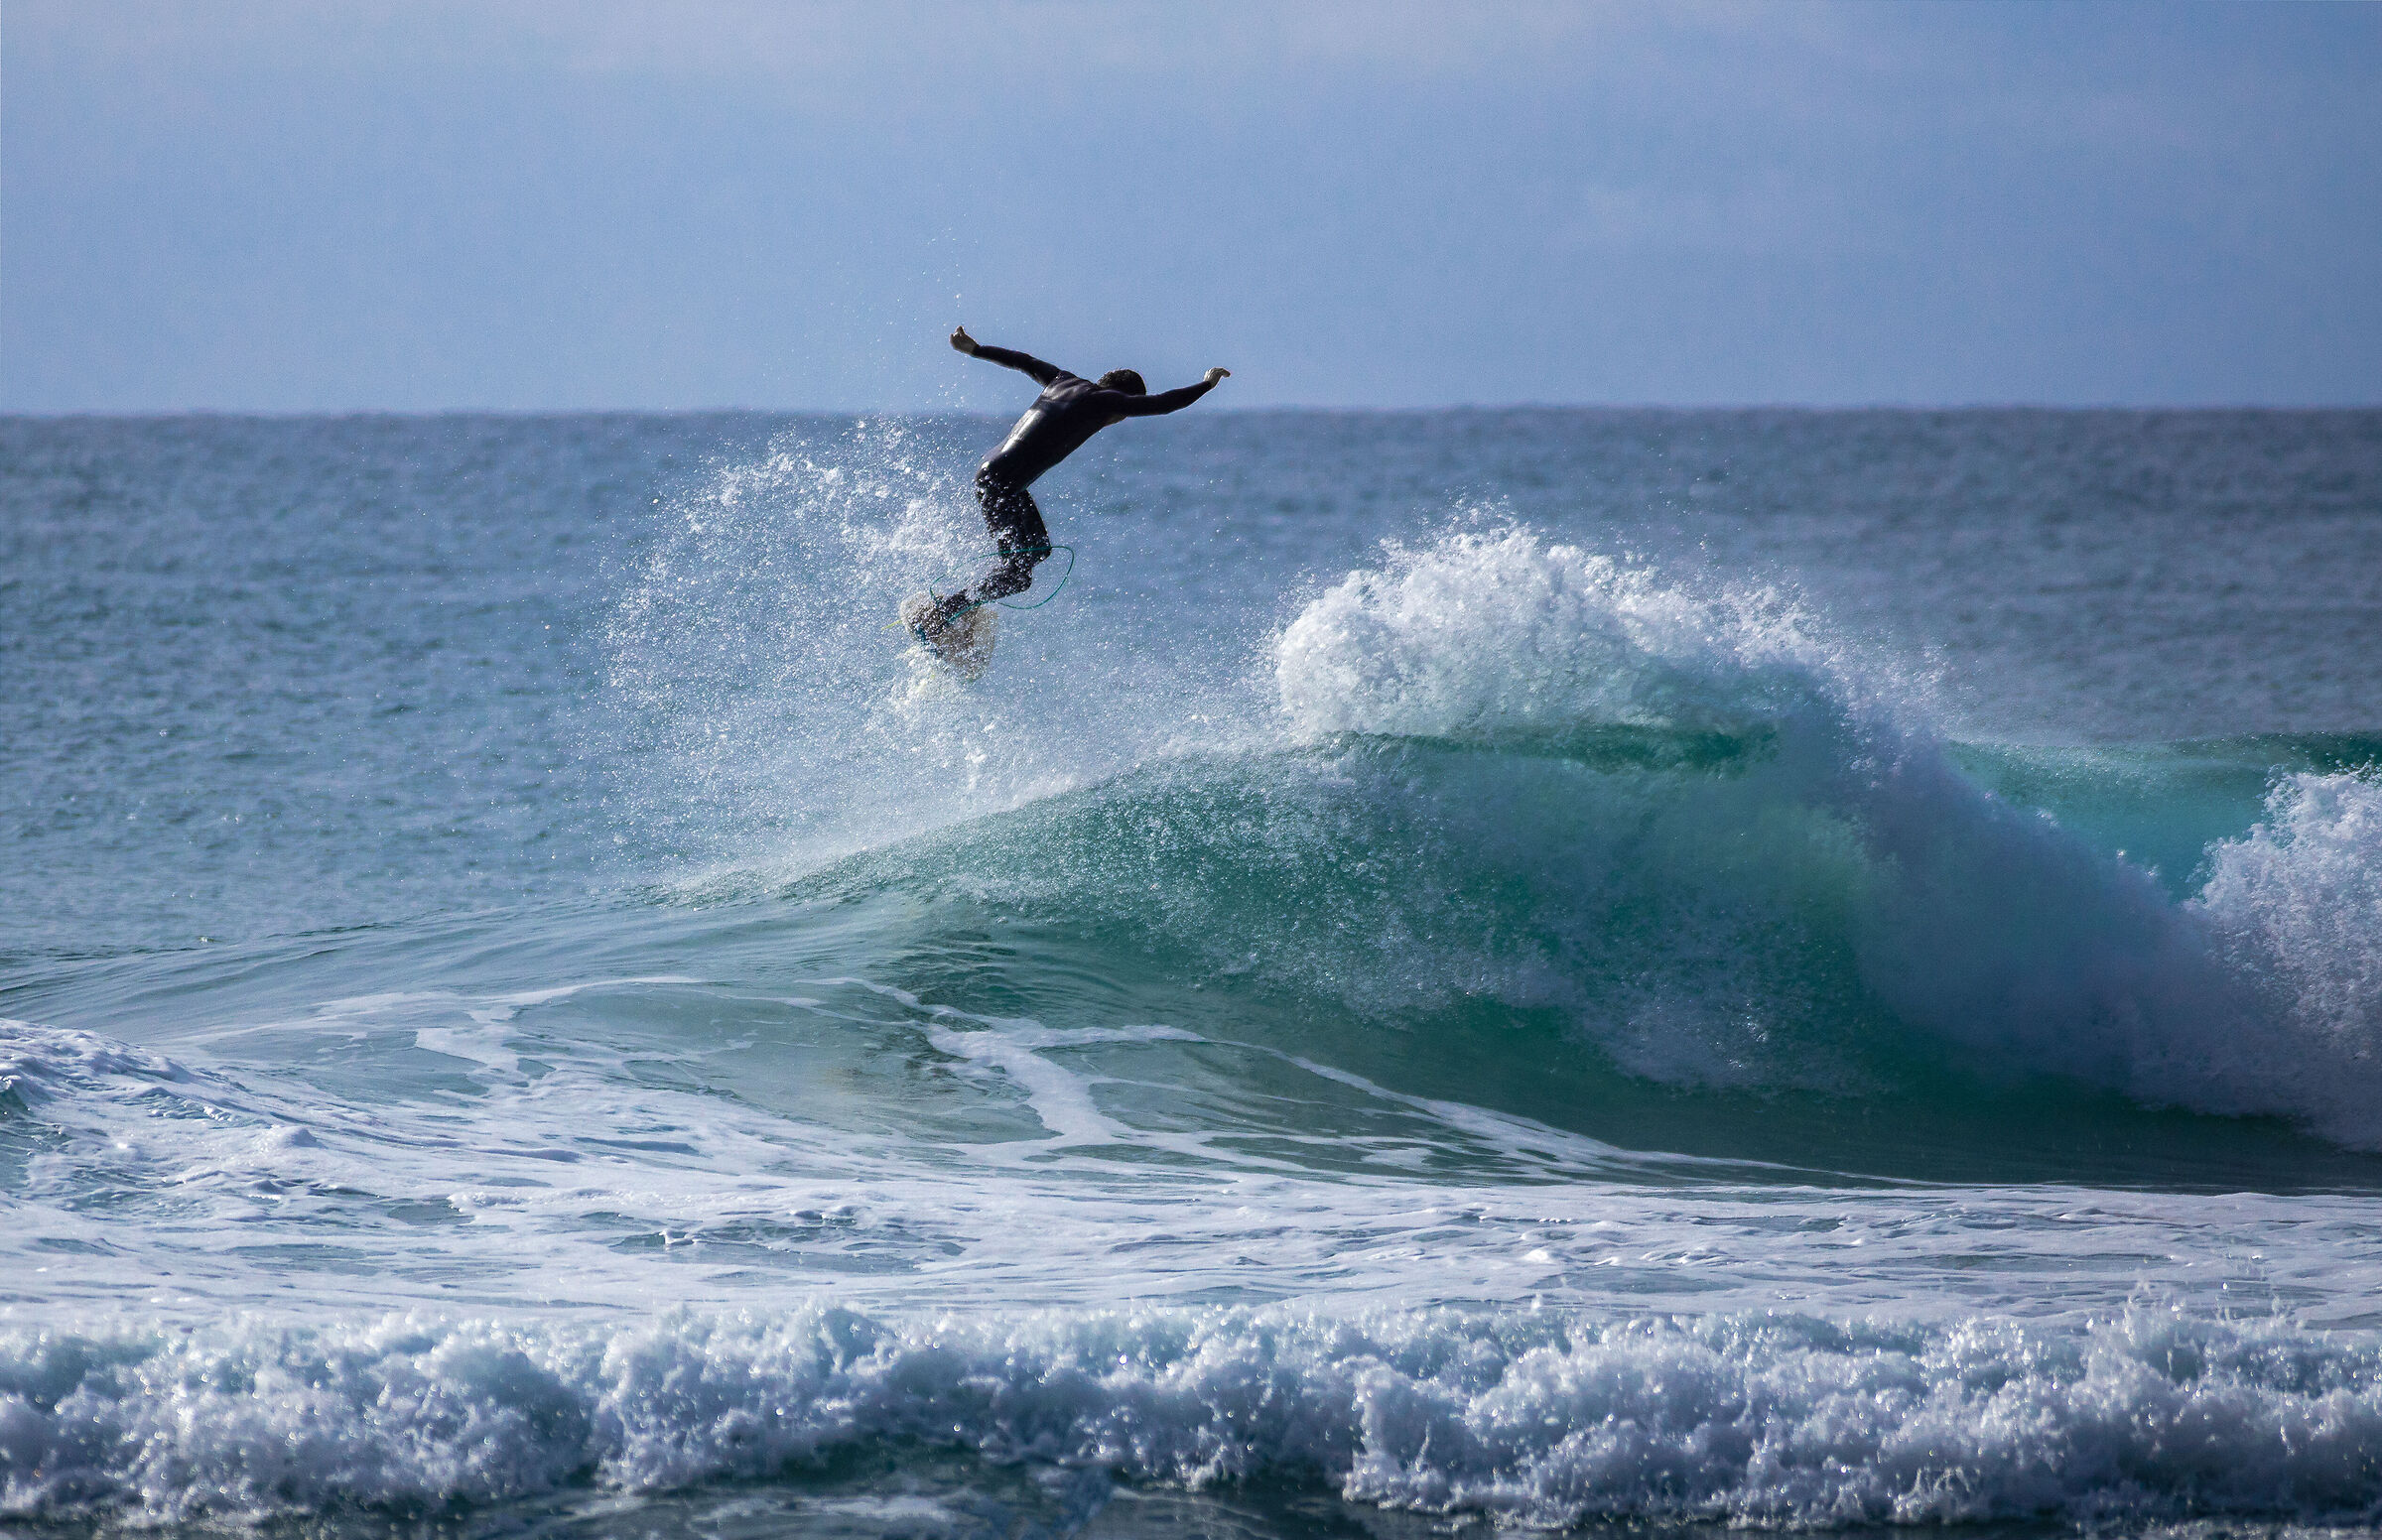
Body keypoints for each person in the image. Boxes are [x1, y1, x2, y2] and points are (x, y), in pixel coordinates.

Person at [929, 326, 1230, 623]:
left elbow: (1025, 361)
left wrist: (976, 349)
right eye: (1123, 414)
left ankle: (960, 608)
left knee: (1037, 551)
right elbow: (1162, 404)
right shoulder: (1103, 401)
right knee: (1019, 576)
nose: (1117, 420)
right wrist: (1206, 385)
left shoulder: (1062, 380)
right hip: (1002, 484)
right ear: (1121, 401)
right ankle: (940, 616)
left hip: (998, 477)